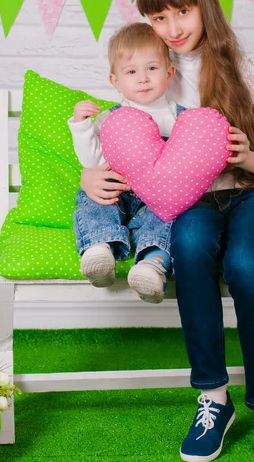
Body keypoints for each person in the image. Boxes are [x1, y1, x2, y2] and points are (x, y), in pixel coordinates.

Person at [80, 0, 254, 462]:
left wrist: (246, 154)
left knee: (246, 264)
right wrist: (87, 173)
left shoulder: (242, 69)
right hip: (191, 200)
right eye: (159, 18)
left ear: (204, 6)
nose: (172, 28)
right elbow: (117, 141)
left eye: (181, 12)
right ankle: (213, 396)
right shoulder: (150, 69)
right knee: (187, 246)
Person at [69, 22, 188, 304]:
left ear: (169, 73)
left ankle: (152, 263)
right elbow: (92, 162)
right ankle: (99, 248)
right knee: (94, 196)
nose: (143, 79)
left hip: (159, 199)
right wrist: (81, 126)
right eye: (132, 72)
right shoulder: (111, 117)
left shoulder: (182, 119)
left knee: (177, 213)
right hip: (118, 190)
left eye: (152, 68)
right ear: (116, 81)